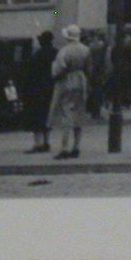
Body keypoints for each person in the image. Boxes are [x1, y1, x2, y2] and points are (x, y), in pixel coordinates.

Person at [47, 24, 90, 159]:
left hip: (67, 81)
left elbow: (59, 68)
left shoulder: (64, 51)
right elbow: (89, 67)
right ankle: (76, 146)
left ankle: (64, 147)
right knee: (79, 113)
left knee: (66, 114)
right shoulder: (85, 50)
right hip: (81, 80)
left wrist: (55, 75)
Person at [21, 29, 57, 154]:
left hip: (37, 89)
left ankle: (38, 143)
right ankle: (46, 142)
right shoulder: (56, 53)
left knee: (36, 117)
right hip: (52, 88)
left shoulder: (37, 55)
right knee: (47, 116)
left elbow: (30, 74)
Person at [85, 29, 109, 119]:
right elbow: (107, 62)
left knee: (93, 91)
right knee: (99, 92)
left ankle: (92, 110)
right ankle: (97, 111)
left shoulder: (90, 46)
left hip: (92, 72)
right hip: (100, 72)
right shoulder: (103, 47)